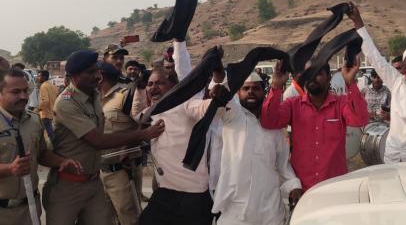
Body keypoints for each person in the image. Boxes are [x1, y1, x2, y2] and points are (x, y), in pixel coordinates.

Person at [42, 50, 164, 225]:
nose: (98, 76)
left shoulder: (94, 96)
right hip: (67, 187)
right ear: (76, 76)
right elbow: (97, 140)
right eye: (91, 72)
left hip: (93, 182)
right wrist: (143, 134)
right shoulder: (66, 102)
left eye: (97, 71)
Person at [261, 58, 368, 192]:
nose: (311, 78)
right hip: (302, 189)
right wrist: (276, 86)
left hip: (335, 187)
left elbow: (360, 120)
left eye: (317, 73)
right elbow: (269, 121)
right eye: (308, 74)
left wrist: (350, 82)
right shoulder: (293, 105)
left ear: (329, 78)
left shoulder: (341, 104)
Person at [212, 72, 302, 225]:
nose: (250, 92)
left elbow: (283, 165)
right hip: (236, 209)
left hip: (269, 209)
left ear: (264, 91)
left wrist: (294, 186)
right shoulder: (233, 116)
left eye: (255, 88)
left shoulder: (275, 126)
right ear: (238, 93)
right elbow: (222, 97)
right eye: (245, 88)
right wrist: (217, 86)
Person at [139, 67, 224, 225]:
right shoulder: (149, 113)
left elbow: (214, 109)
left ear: (174, 86)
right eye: (150, 84)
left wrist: (218, 96)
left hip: (193, 196)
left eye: (159, 83)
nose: (153, 87)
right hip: (165, 192)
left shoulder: (186, 105)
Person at [0, 69, 82, 225]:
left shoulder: (34, 120)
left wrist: (61, 161)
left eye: (26, 90)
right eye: (15, 92)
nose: (23, 96)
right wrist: (10, 168)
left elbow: (42, 153)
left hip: (30, 209)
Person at [347, 1, 406, 163]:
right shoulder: (396, 81)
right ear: (404, 65)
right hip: (393, 155)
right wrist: (358, 23)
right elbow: (374, 57)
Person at [98, 62, 143, 225]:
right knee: (104, 217)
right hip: (100, 171)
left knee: (129, 216)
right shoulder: (94, 99)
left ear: (100, 77)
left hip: (122, 171)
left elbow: (142, 124)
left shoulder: (126, 96)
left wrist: (129, 149)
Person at [37, 70, 59, 143]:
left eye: (39, 76)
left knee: (39, 133)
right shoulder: (53, 86)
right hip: (51, 112)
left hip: (45, 113)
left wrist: (38, 109)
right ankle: (55, 145)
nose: (38, 77)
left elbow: (45, 101)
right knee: (50, 132)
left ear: (44, 77)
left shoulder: (43, 86)